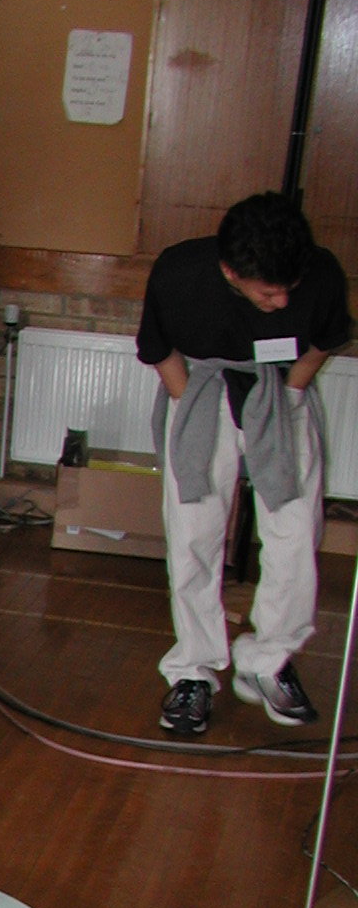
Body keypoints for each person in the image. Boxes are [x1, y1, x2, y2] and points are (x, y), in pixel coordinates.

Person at [141, 192, 352, 738]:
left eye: (289, 289)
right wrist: (191, 409)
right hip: (202, 390)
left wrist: (293, 394)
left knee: (295, 532)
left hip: (280, 391)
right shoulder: (179, 273)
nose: (282, 301)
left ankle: (269, 661)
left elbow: (323, 341)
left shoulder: (320, 273)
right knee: (193, 533)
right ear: (231, 271)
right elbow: (158, 349)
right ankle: (194, 669)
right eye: (269, 292)